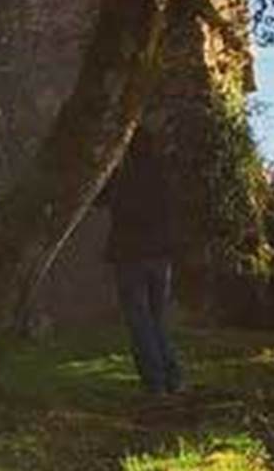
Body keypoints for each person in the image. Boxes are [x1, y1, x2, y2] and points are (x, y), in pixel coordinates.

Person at [102, 130, 185, 395]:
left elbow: (99, 198)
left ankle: (156, 383)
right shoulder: (166, 174)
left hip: (130, 256)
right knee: (158, 319)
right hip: (161, 256)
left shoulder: (123, 175)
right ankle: (174, 378)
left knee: (140, 321)